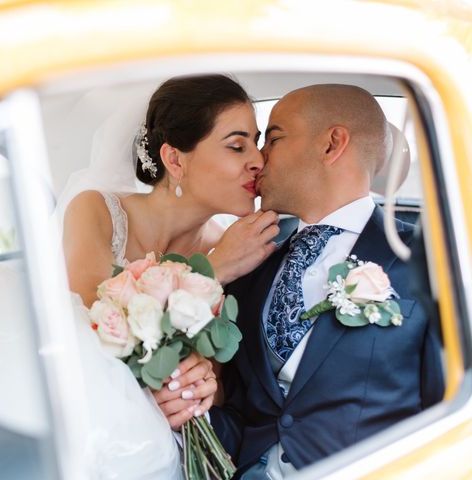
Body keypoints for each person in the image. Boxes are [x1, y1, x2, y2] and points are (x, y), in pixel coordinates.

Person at [209, 84, 445, 479]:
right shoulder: (249, 260)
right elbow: (241, 403)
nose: (258, 158)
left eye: (274, 138)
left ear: (332, 144)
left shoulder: (428, 259)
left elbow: (446, 408)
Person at [59, 74, 280, 478]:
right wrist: (215, 269)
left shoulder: (237, 245)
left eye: (257, 141)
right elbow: (93, 329)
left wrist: (205, 389)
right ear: (175, 160)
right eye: (237, 145)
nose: (258, 160)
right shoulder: (96, 212)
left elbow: (226, 375)